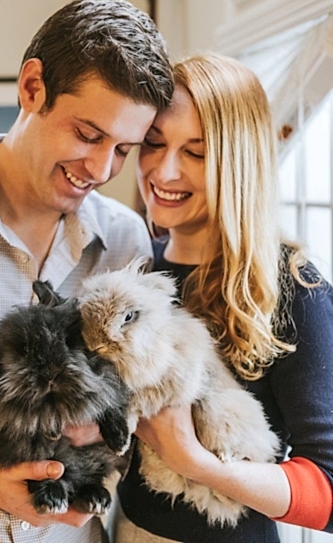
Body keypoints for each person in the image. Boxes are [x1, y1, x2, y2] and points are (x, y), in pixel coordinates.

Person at [0, 0, 174, 543]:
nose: (100, 168)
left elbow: (136, 406)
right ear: (32, 86)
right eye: (88, 135)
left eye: (123, 150)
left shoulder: (123, 239)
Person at [112, 52, 333, 542]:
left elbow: (329, 491)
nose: (164, 172)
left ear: (238, 161)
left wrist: (194, 461)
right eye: (153, 143)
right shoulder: (135, 268)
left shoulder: (294, 290)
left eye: (196, 152)